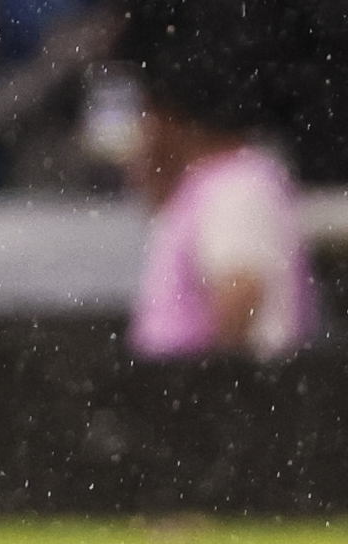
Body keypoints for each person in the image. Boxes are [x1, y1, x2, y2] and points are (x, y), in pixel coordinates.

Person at [123, 40, 316, 360]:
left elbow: (241, 296)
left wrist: (198, 393)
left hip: (211, 399)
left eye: (147, 119)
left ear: (169, 121)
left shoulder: (237, 185)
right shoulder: (209, 183)